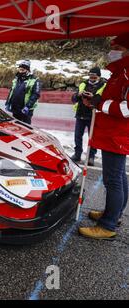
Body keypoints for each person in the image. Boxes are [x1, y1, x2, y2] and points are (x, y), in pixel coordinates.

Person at [79, 33, 129, 240]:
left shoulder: (127, 73)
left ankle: (108, 225)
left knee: (113, 180)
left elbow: (127, 109)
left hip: (117, 135)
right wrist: (98, 99)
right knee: (119, 178)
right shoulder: (120, 72)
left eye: (116, 47)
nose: (111, 51)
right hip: (113, 133)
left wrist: (100, 104)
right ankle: (113, 214)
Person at [70, 67, 107, 166]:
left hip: (93, 115)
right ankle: (77, 154)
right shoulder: (83, 84)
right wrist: (78, 95)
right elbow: (73, 99)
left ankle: (91, 156)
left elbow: (102, 100)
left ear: (99, 77)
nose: (92, 79)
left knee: (92, 137)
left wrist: (93, 97)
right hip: (80, 114)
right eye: (90, 76)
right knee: (78, 136)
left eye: (94, 77)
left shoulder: (103, 86)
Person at [5, 60, 41, 124]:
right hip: (15, 108)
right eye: (20, 69)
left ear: (28, 70)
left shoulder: (35, 80)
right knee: (16, 126)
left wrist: (28, 106)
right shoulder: (17, 79)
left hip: (26, 109)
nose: (21, 71)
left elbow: (36, 94)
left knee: (26, 127)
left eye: (23, 70)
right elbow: (12, 91)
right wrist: (8, 103)